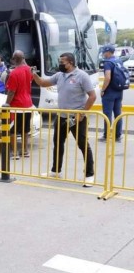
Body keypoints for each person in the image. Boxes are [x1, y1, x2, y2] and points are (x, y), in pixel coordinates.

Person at [32, 52, 96, 187]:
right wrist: (34, 74)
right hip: (61, 117)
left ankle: (90, 175)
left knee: (83, 145)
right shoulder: (59, 75)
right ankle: (55, 170)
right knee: (58, 144)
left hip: (77, 117)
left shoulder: (82, 76)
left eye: (62, 62)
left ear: (71, 63)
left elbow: (92, 96)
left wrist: (83, 113)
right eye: (60, 61)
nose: (60, 64)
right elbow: (43, 83)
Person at [5, 50, 33, 158]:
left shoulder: (14, 73)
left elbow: (11, 91)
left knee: (13, 130)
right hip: (28, 104)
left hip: (16, 106)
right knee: (25, 129)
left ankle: (14, 152)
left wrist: (7, 103)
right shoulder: (29, 70)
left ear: (14, 59)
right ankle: (25, 151)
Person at [99, 44, 123, 142]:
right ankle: (118, 136)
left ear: (108, 52)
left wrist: (103, 90)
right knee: (118, 114)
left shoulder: (107, 63)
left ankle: (106, 136)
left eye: (104, 52)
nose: (103, 54)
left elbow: (107, 77)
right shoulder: (119, 60)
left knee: (107, 114)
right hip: (119, 91)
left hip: (109, 92)